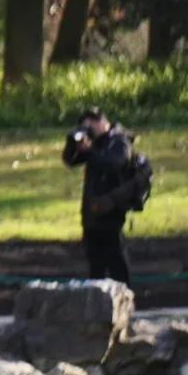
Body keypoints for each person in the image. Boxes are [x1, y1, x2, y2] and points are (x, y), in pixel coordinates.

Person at [62, 106, 135, 284]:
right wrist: (73, 143)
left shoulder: (119, 141)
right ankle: (95, 301)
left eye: (92, 125)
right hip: (92, 211)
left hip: (111, 208)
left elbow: (115, 163)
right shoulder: (94, 144)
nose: (91, 130)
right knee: (95, 263)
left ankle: (123, 298)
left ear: (102, 122)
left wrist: (89, 151)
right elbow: (70, 160)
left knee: (115, 259)